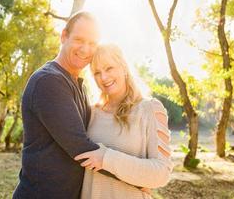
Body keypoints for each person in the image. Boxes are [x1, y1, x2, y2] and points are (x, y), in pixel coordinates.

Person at [12, 12, 108, 199]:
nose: (86, 49)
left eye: (92, 43)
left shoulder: (78, 84)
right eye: (79, 40)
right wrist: (135, 177)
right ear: (64, 36)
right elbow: (81, 148)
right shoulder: (48, 81)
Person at [75, 44, 173, 199]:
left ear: (124, 67)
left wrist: (106, 158)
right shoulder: (90, 113)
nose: (104, 77)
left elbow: (162, 173)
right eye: (97, 73)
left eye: (109, 68)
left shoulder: (150, 109)